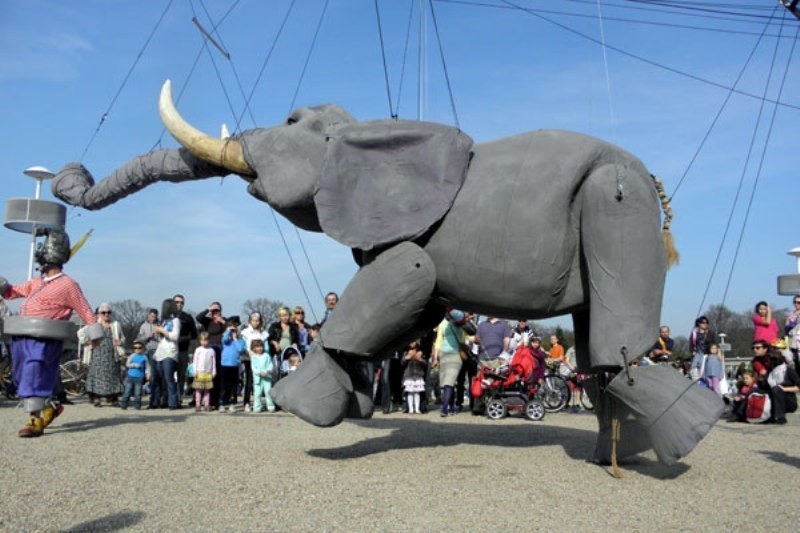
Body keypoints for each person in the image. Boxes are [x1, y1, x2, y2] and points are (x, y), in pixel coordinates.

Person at [0, 228, 96, 437]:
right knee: (20, 375)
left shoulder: (68, 285)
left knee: (34, 371)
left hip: (45, 337)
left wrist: (95, 335)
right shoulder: (37, 282)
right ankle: (48, 406)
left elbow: (85, 309)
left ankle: (34, 419)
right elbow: (11, 292)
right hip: (22, 334)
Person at [84, 303, 124, 407]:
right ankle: (96, 398)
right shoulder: (94, 324)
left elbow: (123, 337)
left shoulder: (115, 324)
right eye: (103, 312)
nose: (106, 314)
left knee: (113, 375)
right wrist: (87, 342)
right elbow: (81, 334)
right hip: (97, 352)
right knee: (97, 375)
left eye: (108, 312)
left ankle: (113, 398)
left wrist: (120, 342)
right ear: (98, 314)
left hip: (111, 353)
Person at [432, 311, 467, 417]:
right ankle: (450, 407)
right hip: (455, 355)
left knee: (448, 383)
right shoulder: (462, 327)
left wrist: (435, 358)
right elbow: (463, 341)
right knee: (449, 383)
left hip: (444, 354)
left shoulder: (442, 324)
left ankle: (444, 409)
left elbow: (438, 341)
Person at [196, 302, 226, 409]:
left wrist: (222, 321)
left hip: (220, 349)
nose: (215, 313)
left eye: (217, 311)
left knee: (218, 375)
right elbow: (198, 317)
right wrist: (208, 309)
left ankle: (218, 400)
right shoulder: (207, 321)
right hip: (208, 349)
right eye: (213, 311)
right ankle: (207, 400)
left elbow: (232, 327)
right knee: (208, 376)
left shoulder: (223, 321)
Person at [153, 298, 181, 410]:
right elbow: (162, 338)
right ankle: (162, 401)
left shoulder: (175, 321)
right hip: (160, 352)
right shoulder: (164, 321)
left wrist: (162, 330)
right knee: (161, 378)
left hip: (170, 352)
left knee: (169, 378)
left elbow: (175, 336)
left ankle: (173, 403)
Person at [240, 312, 269, 412]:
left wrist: (264, 355)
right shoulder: (245, 332)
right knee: (249, 381)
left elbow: (267, 347)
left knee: (262, 382)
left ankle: (261, 403)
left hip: (262, 360)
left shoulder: (263, 333)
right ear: (250, 321)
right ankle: (246, 403)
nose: (255, 322)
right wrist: (249, 352)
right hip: (249, 359)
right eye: (253, 320)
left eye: (257, 320)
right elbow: (242, 345)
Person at [173, 294, 198, 407]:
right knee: (168, 375)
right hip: (169, 350)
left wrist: (184, 338)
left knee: (181, 375)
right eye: (177, 302)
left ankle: (178, 398)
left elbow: (194, 334)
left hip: (182, 349)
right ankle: (168, 398)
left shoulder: (187, 317)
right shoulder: (167, 316)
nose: (179, 304)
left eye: (181, 302)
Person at [136, 308, 161, 406]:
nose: (153, 318)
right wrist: (148, 337)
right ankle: (153, 401)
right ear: (148, 316)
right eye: (151, 316)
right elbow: (139, 339)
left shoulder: (160, 324)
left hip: (160, 351)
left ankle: (157, 400)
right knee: (153, 376)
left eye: (155, 316)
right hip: (149, 351)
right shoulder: (143, 326)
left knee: (159, 376)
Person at [766, 353, 800, 424]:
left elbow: (798, 387)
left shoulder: (788, 370)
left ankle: (780, 417)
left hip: (789, 401)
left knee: (777, 389)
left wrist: (784, 389)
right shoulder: (771, 372)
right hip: (775, 401)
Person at [221, 323, 245, 412]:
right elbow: (224, 339)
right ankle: (223, 403)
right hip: (224, 365)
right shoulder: (226, 341)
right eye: (231, 331)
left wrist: (235, 338)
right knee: (224, 386)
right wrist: (228, 330)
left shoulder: (240, 341)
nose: (232, 332)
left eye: (234, 330)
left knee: (233, 386)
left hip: (234, 366)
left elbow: (240, 349)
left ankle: (232, 403)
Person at [120, 341, 150, 410]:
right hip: (130, 376)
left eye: (139, 348)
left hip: (140, 377)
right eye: (135, 348)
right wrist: (134, 365)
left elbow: (147, 367)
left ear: (142, 349)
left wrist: (148, 374)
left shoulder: (144, 357)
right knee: (127, 391)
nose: (137, 349)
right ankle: (124, 405)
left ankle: (137, 406)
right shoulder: (132, 356)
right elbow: (127, 364)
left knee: (138, 392)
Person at [191, 331, 216, 412]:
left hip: (208, 373)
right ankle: (198, 404)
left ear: (209, 340)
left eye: (205, 340)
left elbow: (213, 362)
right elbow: (195, 361)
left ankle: (207, 404)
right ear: (200, 340)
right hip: (199, 373)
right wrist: (195, 371)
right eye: (202, 340)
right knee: (198, 390)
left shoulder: (211, 350)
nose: (204, 342)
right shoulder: (198, 350)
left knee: (207, 390)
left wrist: (214, 371)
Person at [249, 338, 275, 413]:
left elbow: (270, 365)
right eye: (257, 347)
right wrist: (259, 372)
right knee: (257, 393)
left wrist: (268, 371)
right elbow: (253, 368)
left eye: (261, 346)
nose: (259, 348)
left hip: (267, 377)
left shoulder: (266, 356)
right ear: (253, 348)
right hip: (257, 378)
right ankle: (257, 407)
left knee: (268, 392)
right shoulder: (253, 357)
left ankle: (271, 407)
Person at [402, 340, 427, 414]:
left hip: (418, 375)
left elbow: (425, 364)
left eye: (414, 342)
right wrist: (407, 357)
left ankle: (417, 408)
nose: (412, 343)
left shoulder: (421, 352)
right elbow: (402, 363)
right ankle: (410, 409)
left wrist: (420, 359)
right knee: (410, 392)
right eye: (410, 342)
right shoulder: (406, 353)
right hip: (409, 375)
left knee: (417, 393)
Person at [784, 296, 800, 371]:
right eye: (795, 302)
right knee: (796, 364)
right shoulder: (790, 314)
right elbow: (786, 327)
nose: (796, 304)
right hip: (793, 342)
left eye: (799, 302)